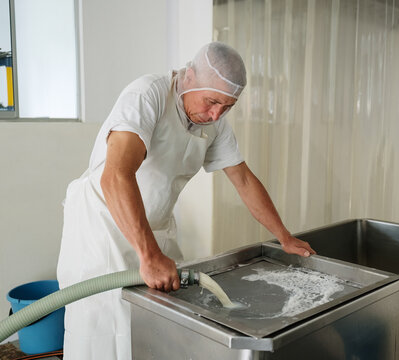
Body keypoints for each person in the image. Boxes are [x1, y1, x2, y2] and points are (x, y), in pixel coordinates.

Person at [56, 42, 315, 360]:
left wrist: (284, 237)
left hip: (154, 226)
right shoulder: (147, 95)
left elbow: (243, 180)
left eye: (227, 107)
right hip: (102, 230)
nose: (217, 113)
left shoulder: (214, 121)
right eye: (212, 101)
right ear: (189, 77)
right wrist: (149, 256)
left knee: (160, 324)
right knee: (105, 331)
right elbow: (116, 177)